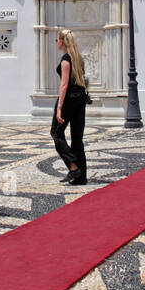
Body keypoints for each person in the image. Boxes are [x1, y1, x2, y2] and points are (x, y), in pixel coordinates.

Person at [51, 29, 89, 185]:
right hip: (80, 98)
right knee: (77, 138)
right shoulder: (78, 59)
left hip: (69, 100)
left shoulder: (66, 60)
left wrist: (59, 107)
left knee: (56, 133)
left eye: (57, 39)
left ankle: (73, 167)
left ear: (62, 41)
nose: (56, 42)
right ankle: (81, 176)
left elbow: (64, 84)